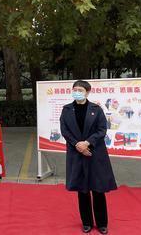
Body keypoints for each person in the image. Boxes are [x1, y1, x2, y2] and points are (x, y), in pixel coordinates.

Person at [60, 80, 117, 234]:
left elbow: (101, 130)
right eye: (74, 89)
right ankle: (86, 222)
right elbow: (64, 130)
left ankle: (102, 223)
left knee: (98, 189)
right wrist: (78, 145)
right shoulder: (66, 110)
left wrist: (87, 143)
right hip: (76, 153)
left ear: (87, 92)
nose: (76, 92)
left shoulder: (96, 109)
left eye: (80, 89)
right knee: (82, 190)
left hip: (95, 153)